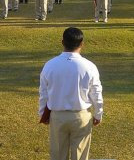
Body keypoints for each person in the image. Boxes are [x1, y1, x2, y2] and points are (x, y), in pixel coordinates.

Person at [39, 27, 103, 160]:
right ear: (82, 44)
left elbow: (44, 93)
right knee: (80, 156)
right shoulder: (89, 66)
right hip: (81, 115)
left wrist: (42, 114)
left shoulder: (50, 65)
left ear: (62, 42)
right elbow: (96, 92)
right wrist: (98, 113)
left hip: (57, 116)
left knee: (58, 155)